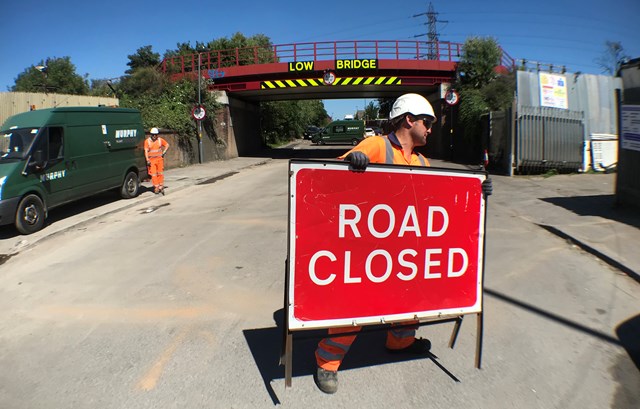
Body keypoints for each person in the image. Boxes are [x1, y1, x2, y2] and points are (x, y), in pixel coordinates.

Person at [313, 93, 493, 394]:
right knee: (356, 304)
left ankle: (400, 342)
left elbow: (437, 202)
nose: (431, 128)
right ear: (409, 120)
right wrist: (352, 163)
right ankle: (327, 362)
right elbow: (328, 179)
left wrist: (476, 192)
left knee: (410, 295)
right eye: (427, 122)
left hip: (403, 249)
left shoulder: (422, 161)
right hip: (366, 248)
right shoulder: (375, 146)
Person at [144, 127, 169, 195]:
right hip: (152, 160)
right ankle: (156, 187)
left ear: (157, 134)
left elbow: (167, 145)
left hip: (159, 159)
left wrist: (164, 152)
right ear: (151, 134)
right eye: (153, 134)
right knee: (154, 174)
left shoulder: (160, 140)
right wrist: (147, 160)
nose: (154, 136)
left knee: (160, 173)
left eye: (156, 134)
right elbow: (146, 151)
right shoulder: (147, 141)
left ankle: (161, 186)